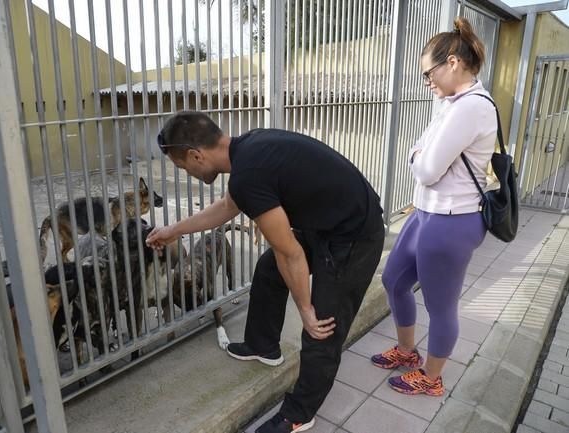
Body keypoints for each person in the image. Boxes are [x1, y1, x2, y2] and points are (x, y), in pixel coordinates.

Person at [146, 111, 384, 433]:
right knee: (269, 268)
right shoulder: (247, 150)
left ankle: (299, 412)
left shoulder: (248, 174)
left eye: (182, 166)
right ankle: (263, 345)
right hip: (329, 224)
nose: (186, 173)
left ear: (195, 155)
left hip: (354, 236)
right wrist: (174, 230)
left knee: (321, 327)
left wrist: (305, 309)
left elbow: (291, 253)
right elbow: (228, 207)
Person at [370, 17, 497, 396]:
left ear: (453, 62)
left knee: (441, 307)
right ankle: (408, 353)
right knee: (393, 280)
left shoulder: (471, 107)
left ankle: (431, 377)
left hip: (451, 222)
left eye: (429, 73)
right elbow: (420, 153)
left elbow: (425, 169)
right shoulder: (451, 103)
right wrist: (419, 156)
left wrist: (419, 157)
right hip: (425, 214)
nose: (428, 83)